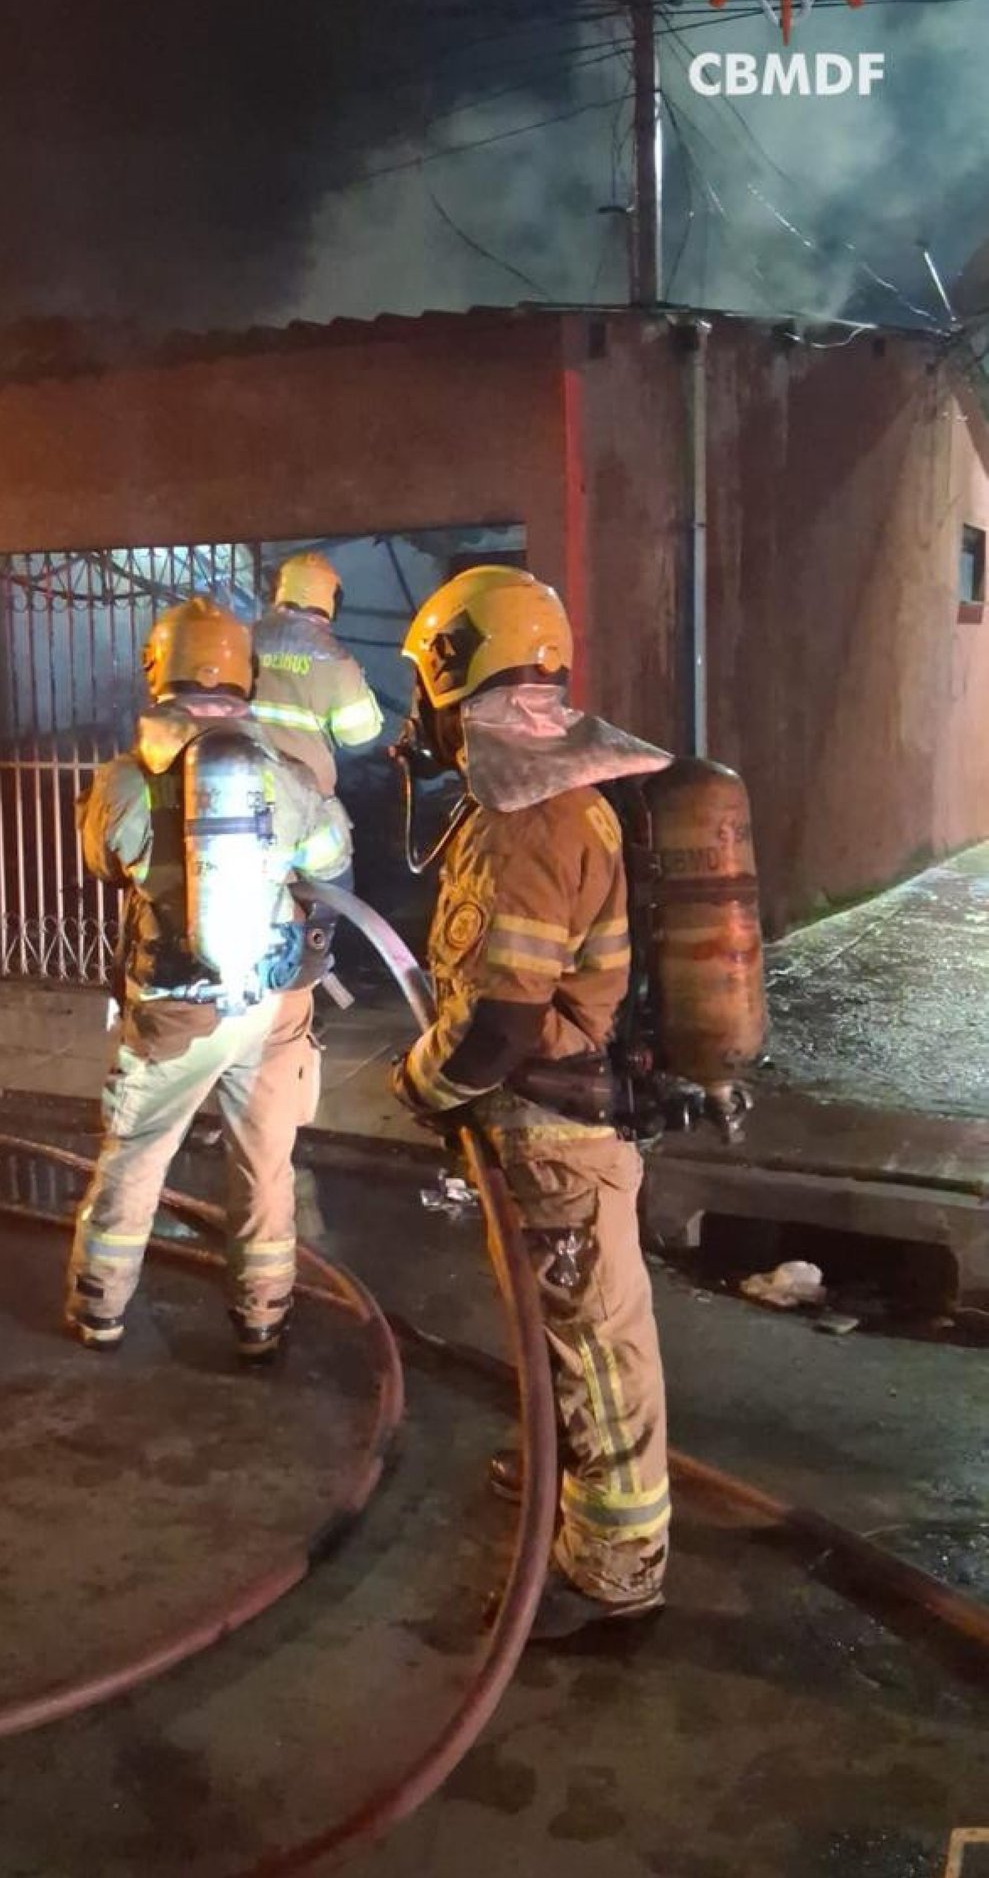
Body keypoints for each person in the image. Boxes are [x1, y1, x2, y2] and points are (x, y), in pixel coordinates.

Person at [390, 564, 671, 1641]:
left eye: (424, 683)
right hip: (556, 1125)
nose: (414, 710)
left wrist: (420, 1083)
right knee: (567, 1329)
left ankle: (613, 1574)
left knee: (597, 1344)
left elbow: (502, 1024)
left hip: (552, 1128)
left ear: (453, 676)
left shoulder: (524, 821)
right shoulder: (550, 793)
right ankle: (563, 1472)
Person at [65, 595, 349, 1362]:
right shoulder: (281, 769)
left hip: (173, 1009)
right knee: (263, 1164)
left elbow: (102, 862)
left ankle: (100, 1312)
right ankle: (261, 1319)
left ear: (160, 669)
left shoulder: (127, 776)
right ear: (244, 673)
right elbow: (327, 862)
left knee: (138, 1152)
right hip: (271, 1003)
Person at [251, 551, 383, 799]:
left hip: (238, 783)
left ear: (278, 591)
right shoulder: (337, 661)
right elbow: (361, 738)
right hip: (304, 797)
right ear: (334, 599)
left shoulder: (241, 640)